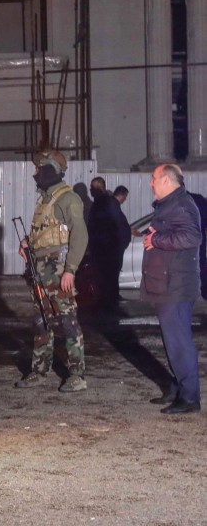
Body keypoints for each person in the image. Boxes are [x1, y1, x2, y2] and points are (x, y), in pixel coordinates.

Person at [15, 150, 89, 392]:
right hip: (40, 269)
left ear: (50, 170)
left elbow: (80, 235)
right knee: (41, 322)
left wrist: (71, 270)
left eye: (39, 169)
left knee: (67, 321)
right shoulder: (44, 200)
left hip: (58, 270)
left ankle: (77, 375)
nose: (35, 173)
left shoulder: (69, 199)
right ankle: (39, 370)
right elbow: (46, 233)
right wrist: (28, 243)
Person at [142, 164, 202, 414]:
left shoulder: (181, 205)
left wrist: (156, 240)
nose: (151, 183)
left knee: (179, 342)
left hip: (175, 287)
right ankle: (178, 388)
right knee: (172, 341)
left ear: (166, 180)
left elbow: (192, 237)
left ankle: (189, 398)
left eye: (154, 178)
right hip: (168, 284)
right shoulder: (173, 203)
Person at [87, 177, 132, 309]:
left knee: (107, 277)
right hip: (107, 248)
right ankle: (109, 302)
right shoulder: (105, 203)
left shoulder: (104, 203)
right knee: (108, 277)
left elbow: (114, 226)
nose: (91, 191)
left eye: (92, 188)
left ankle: (109, 304)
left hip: (107, 249)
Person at [185, 191, 207, 301]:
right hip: (199, 240)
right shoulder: (199, 200)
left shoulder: (176, 202)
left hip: (184, 242)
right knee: (201, 265)